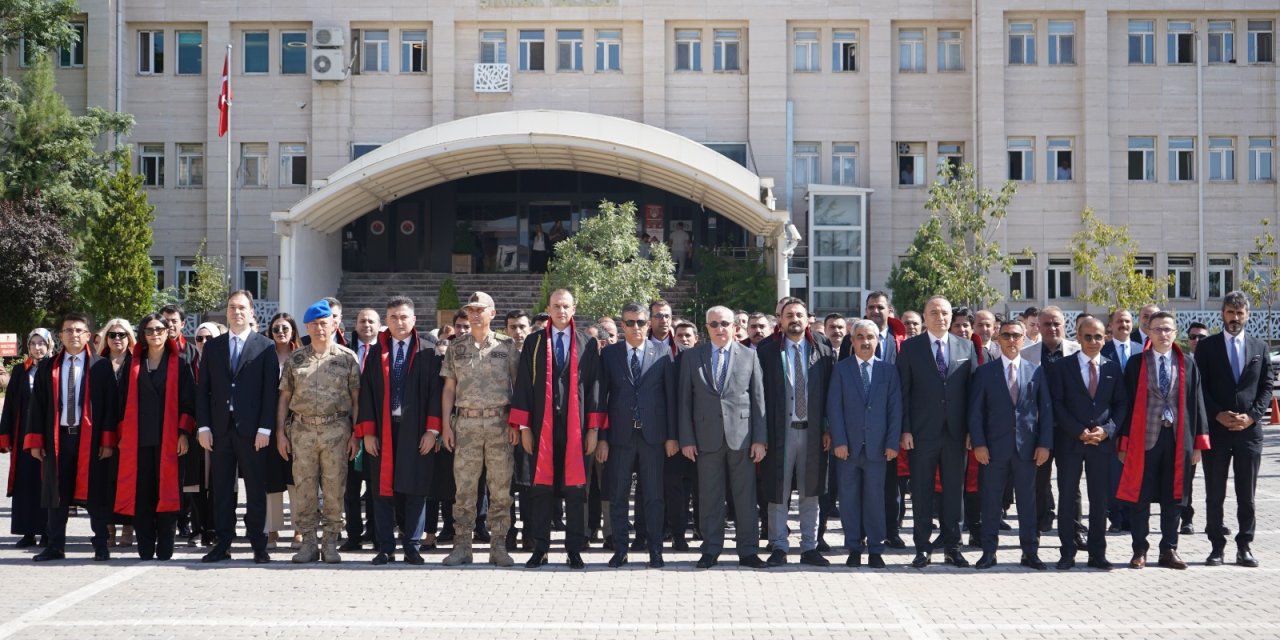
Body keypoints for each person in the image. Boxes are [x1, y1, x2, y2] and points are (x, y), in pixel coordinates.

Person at [510, 289, 603, 569]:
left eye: (566, 306)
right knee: (541, 489)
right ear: (548, 309)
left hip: (577, 426)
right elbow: (524, 385)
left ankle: (574, 549)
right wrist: (524, 427)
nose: (561, 311)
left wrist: (594, 430)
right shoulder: (535, 342)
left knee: (576, 490)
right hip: (542, 426)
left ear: (574, 309)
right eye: (556, 306)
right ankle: (540, 548)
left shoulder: (587, 343)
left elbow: (596, 387)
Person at [1116, 311, 1209, 570]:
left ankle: (1169, 549)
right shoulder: (1136, 364)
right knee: (1140, 498)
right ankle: (1139, 550)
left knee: (1174, 498)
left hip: (1179, 439)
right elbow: (1126, 404)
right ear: (1148, 331)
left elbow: (1197, 403)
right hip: (1144, 440)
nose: (1163, 334)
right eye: (1157, 329)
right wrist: (1123, 443)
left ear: (1175, 333)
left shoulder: (1188, 363)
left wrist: (1199, 444)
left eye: (1167, 329)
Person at [678, 305, 768, 570]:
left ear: (735, 327)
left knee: (745, 498)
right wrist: (686, 439)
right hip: (705, 439)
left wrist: (760, 440)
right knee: (709, 497)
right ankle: (710, 549)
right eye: (714, 324)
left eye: (725, 324)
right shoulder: (693, 357)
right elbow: (684, 402)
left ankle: (748, 551)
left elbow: (758, 400)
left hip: (742, 439)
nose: (720, 329)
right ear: (706, 328)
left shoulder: (749, 356)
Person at [355, 296, 440, 566]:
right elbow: (366, 393)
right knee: (381, 491)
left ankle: (413, 546)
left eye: (404, 317)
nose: (399, 322)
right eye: (393, 317)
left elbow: (437, 394)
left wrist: (432, 430)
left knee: (416, 489)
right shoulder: (376, 351)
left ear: (414, 319)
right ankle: (385, 547)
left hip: (416, 430)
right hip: (383, 429)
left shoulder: (428, 350)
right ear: (386, 320)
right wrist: (368, 432)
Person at [197, 290, 279, 564]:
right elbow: (203, 390)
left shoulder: (265, 346)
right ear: (227, 312)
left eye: (242, 308)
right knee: (221, 489)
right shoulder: (213, 347)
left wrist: (265, 429)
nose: (237, 312)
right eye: (232, 308)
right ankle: (223, 543)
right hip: (220, 429)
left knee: (255, 488)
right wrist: (204, 427)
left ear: (252, 312)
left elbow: (270, 392)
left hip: (253, 431)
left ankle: (258, 543)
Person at [277, 299, 361, 564]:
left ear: (333, 325)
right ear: (306, 327)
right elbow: (284, 398)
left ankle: (331, 543)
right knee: (304, 488)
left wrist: (355, 434)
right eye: (313, 324)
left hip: (337, 430)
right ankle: (309, 544)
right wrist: (280, 432)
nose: (319, 329)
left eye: (324, 323)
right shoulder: (296, 359)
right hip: (301, 431)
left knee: (335, 488)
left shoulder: (347, 359)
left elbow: (357, 400)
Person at [26, 313, 116, 561]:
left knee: (96, 494)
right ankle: (55, 545)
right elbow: (38, 407)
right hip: (59, 438)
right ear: (61, 335)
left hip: (91, 439)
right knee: (57, 494)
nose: (73, 335)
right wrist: (36, 441)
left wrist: (108, 441)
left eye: (79, 330)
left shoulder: (101, 366)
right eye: (68, 330)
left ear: (88, 335)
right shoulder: (48, 367)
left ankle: (100, 544)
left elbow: (111, 407)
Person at [438, 292, 517, 567]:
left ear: (492, 314)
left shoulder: (507, 347)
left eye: (479, 310)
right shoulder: (456, 347)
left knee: (500, 489)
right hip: (466, 426)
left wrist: (516, 424)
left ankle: (498, 546)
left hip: (499, 424)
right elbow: (449, 389)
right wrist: (446, 425)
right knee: (465, 490)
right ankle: (462, 547)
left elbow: (518, 389)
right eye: (470, 310)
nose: (474, 314)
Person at [897, 295, 976, 569]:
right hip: (921, 433)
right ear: (925, 315)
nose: (940, 317)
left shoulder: (966, 346)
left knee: (954, 492)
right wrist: (905, 429)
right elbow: (903, 393)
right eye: (934, 312)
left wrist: (971, 431)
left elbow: (973, 394)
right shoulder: (910, 348)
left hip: (956, 434)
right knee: (921, 491)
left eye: (944, 313)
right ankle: (922, 548)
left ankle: (953, 547)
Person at [594, 302, 675, 568]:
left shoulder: (663, 352)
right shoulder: (611, 355)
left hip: (653, 438)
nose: (636, 327)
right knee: (617, 496)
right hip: (619, 438)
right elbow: (602, 399)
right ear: (622, 325)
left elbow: (670, 399)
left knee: (654, 496)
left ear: (649, 323)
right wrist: (602, 438)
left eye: (641, 322)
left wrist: (672, 436)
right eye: (630, 323)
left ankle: (655, 550)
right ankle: (620, 549)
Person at [969, 319, 1053, 570]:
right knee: (991, 502)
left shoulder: (1035, 370)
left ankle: (1030, 552)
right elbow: (975, 413)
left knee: (1028, 503)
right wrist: (979, 444)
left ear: (1024, 338)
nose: (1011, 340)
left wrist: (1044, 444)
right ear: (998, 338)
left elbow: (1045, 411)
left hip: (1027, 449)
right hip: (994, 449)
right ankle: (988, 552)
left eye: (1016, 335)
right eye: (1006, 335)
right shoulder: (985, 372)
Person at [1196, 291, 1271, 568]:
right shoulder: (1207, 347)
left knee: (1246, 493)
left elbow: (1266, 387)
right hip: (1217, 431)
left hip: (1249, 433)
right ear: (1222, 314)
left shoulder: (1259, 347)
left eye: (1240, 313)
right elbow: (1199, 386)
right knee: (1215, 492)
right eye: (1230, 312)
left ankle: (1245, 546)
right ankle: (1216, 546)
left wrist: (1252, 417)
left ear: (1247, 315)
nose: (1235, 318)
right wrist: (1217, 414)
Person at [113, 313, 196, 561]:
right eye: (150, 331)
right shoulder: (133, 364)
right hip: (138, 441)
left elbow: (188, 403)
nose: (156, 334)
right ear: (143, 335)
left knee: (167, 493)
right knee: (143, 495)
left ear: (167, 332)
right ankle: (146, 546)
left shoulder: (179, 363)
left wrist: (183, 433)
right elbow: (121, 403)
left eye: (160, 329)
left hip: (170, 440)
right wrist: (120, 436)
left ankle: (166, 546)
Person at [758, 299, 833, 567]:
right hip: (780, 432)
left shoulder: (821, 349)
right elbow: (759, 396)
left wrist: (827, 428)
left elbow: (829, 394)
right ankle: (778, 545)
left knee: (810, 490)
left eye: (799, 314)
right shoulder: (766, 351)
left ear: (808, 319)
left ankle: (809, 547)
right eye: (789, 315)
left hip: (813, 433)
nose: (795, 319)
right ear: (780, 320)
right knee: (778, 490)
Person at [1050, 315, 1128, 570]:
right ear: (1078, 337)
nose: (1093, 341)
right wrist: (1078, 431)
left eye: (1098, 336)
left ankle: (1097, 553)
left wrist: (1107, 431)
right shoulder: (1062, 367)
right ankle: (1067, 553)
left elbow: (1120, 405)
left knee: (1099, 500)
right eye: (1087, 336)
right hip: (1070, 443)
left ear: (1105, 338)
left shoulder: (1112, 368)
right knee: (1067, 499)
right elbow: (1057, 404)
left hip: (1101, 444)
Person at [827, 319, 902, 568]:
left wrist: (892, 443)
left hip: (878, 448)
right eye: (860, 337)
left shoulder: (888, 371)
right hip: (847, 449)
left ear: (877, 340)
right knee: (848, 500)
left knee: (875, 500)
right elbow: (834, 408)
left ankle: (876, 549)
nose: (865, 341)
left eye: (870, 337)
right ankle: (854, 547)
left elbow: (895, 409)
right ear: (853, 340)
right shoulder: (841, 369)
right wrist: (839, 440)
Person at [1021, 306, 1080, 537]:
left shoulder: (1078, 352)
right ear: (1038, 326)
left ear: (1064, 325)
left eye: (1057, 323)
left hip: (1070, 431)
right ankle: (1033, 529)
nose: (1052, 328)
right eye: (1046, 324)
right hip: (1038, 431)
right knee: (1036, 483)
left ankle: (1074, 530)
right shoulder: (1027, 354)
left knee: (1071, 484)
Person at [0, 329, 53, 548]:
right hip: (23, 434)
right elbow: (10, 404)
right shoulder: (22, 371)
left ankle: (49, 532)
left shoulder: (56, 368)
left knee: (47, 483)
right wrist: (5, 436)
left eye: (42, 343)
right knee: (25, 483)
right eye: (33, 343)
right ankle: (28, 531)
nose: (37, 347)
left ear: (50, 345)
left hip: (49, 435)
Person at [341, 309, 381, 552]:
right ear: (355, 326)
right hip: (348, 429)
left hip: (377, 430)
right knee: (351, 487)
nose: (366, 325)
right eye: (362, 321)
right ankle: (354, 535)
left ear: (379, 325)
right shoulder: (346, 355)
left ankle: (377, 532)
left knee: (375, 486)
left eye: (371, 321)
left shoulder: (385, 353)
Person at [96, 318, 135, 549]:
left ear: (130, 338)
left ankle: (128, 527)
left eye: (122, 334)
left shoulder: (137, 363)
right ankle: (108, 527)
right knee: (105, 481)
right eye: (112, 335)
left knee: (128, 479)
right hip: (102, 431)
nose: (117, 339)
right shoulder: (97, 364)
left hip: (130, 432)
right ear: (106, 339)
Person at [263, 313, 301, 551]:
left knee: (296, 477)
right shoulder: (263, 355)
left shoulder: (302, 356)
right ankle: (273, 528)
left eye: (285, 328)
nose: (280, 332)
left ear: (293, 330)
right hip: (268, 423)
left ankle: (298, 528)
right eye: (276, 328)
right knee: (272, 478)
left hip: (298, 424)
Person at [664, 318, 699, 550]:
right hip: (676, 438)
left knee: (701, 490)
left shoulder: (705, 361)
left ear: (696, 339)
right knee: (676, 490)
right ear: (674, 339)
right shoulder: (669, 363)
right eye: (680, 336)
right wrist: (673, 436)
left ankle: (702, 530)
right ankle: (678, 534)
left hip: (705, 438)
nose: (684, 339)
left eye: (688, 336)